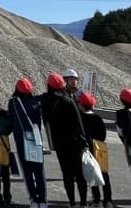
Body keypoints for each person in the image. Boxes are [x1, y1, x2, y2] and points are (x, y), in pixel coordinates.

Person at [41, 73, 88, 207]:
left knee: (67, 174)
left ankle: (72, 203)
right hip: (74, 143)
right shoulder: (67, 101)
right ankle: (83, 203)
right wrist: (84, 142)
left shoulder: (45, 101)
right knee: (80, 174)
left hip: (59, 144)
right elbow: (78, 124)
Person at [9, 78, 47, 208]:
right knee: (39, 171)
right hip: (36, 140)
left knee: (27, 171)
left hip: (21, 141)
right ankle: (43, 201)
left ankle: (33, 200)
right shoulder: (36, 101)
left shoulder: (14, 102)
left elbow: (11, 120)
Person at [79, 92, 114, 208]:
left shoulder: (80, 118)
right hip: (100, 147)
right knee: (104, 174)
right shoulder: (98, 118)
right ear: (93, 105)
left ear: (81, 105)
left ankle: (96, 199)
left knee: (92, 172)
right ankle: (108, 200)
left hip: (87, 149)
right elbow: (103, 135)